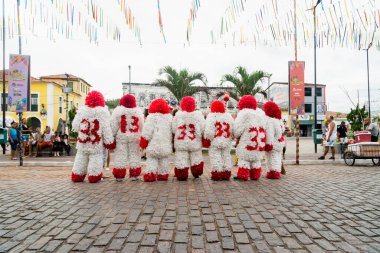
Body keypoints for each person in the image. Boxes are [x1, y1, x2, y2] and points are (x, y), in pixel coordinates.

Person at [71, 91, 116, 183]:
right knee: (96, 159)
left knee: (80, 158)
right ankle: (93, 176)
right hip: (96, 143)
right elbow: (106, 129)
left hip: (83, 142)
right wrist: (109, 142)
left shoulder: (81, 111)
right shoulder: (103, 112)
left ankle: (77, 175)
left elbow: (75, 126)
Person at [234, 95, 268, 181]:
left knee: (244, 160)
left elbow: (237, 131)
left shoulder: (243, 113)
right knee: (256, 161)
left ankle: (243, 175)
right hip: (259, 145)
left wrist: (236, 136)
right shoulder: (261, 114)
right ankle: (255, 175)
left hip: (247, 144)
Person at [110, 94, 144, 180]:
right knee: (135, 154)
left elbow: (113, 125)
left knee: (120, 155)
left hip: (122, 136)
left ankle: (119, 174)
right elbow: (142, 125)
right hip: (135, 136)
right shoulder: (138, 111)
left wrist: (112, 136)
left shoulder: (118, 111)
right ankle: (134, 174)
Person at [172, 96, 205, 180]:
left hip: (181, 142)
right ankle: (196, 172)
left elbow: (173, 129)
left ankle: (181, 174)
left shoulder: (178, 115)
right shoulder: (198, 115)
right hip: (194, 141)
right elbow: (203, 128)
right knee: (196, 157)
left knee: (181, 158)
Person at [140, 99, 173, 182]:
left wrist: (143, 142)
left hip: (153, 145)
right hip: (165, 145)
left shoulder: (151, 117)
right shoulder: (169, 118)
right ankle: (163, 174)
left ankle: (150, 175)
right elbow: (173, 131)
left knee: (152, 160)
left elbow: (147, 132)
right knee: (164, 160)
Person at [203, 100, 234, 181]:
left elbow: (209, 132)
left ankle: (217, 173)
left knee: (215, 157)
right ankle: (226, 173)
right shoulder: (229, 116)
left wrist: (209, 139)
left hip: (215, 141)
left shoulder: (211, 116)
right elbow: (232, 129)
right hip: (226, 140)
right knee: (226, 157)